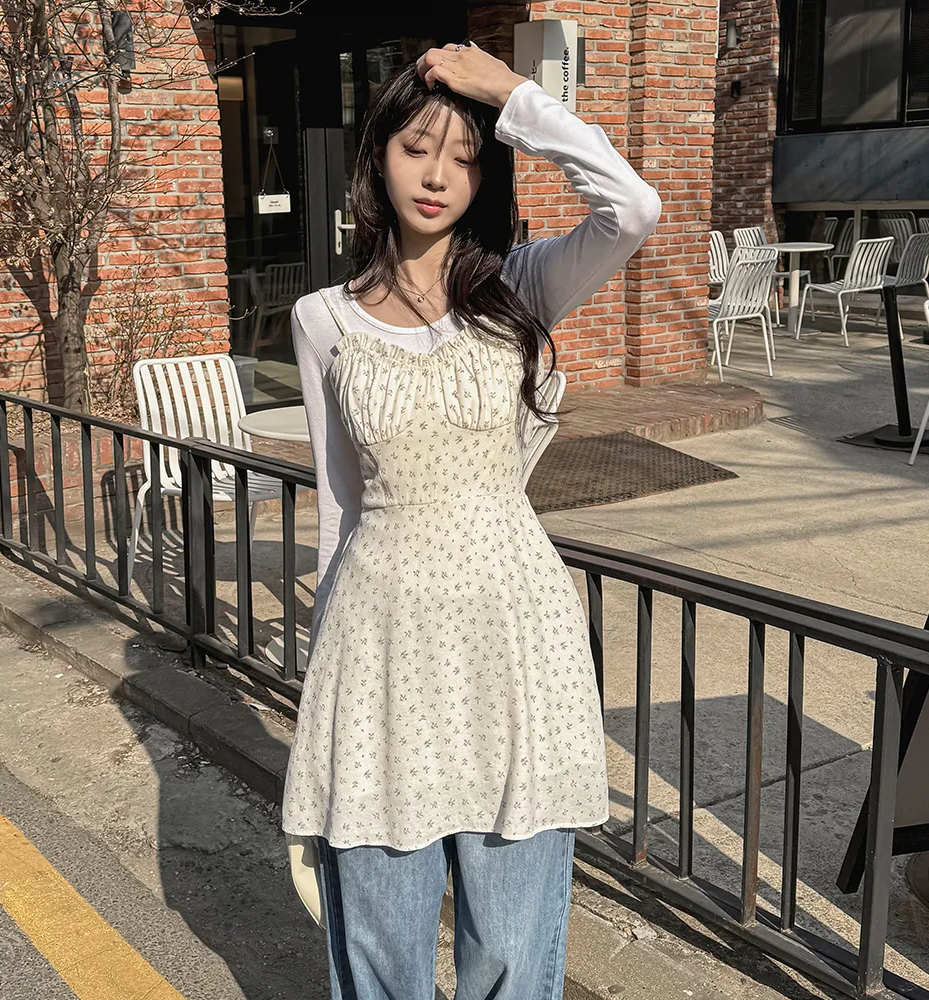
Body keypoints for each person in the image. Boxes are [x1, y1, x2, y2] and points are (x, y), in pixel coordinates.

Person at [282, 39, 661, 1000]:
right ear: (378, 157)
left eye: (462, 155)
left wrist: (513, 96)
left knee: (512, 952)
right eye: (415, 148)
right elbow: (341, 510)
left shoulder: (521, 289)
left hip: (514, 641)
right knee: (382, 951)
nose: (436, 175)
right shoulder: (323, 319)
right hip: (380, 652)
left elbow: (633, 208)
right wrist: (322, 688)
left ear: (486, 174)